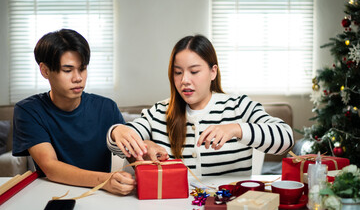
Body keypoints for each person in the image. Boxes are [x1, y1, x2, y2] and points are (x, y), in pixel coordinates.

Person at [107, 35, 294, 176]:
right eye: (178, 73)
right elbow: (115, 145)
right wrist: (118, 132)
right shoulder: (159, 112)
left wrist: (236, 129)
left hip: (229, 209)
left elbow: (285, 138)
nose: (184, 80)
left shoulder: (239, 106)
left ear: (213, 72)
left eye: (194, 71)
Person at [13, 29, 135, 195]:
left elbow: (133, 155)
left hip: (101, 196)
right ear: (45, 70)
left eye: (82, 68)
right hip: (50, 196)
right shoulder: (28, 111)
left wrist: (146, 148)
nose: (78, 78)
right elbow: (51, 167)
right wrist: (106, 180)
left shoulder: (107, 107)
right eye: (68, 70)